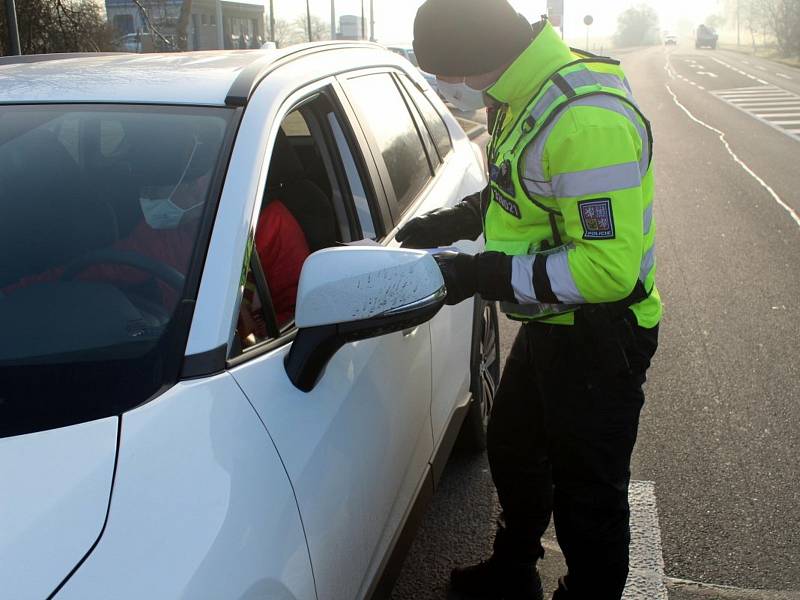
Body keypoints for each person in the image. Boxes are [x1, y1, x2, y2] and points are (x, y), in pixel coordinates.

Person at [400, 1, 662, 599]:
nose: (458, 89)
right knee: (515, 443)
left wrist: (481, 276)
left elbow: (606, 271)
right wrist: (450, 222)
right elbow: (516, 192)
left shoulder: (585, 122)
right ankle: (514, 568)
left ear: (485, 57)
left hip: (602, 336)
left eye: (458, 75)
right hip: (555, 322)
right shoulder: (524, 95)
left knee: (587, 494)